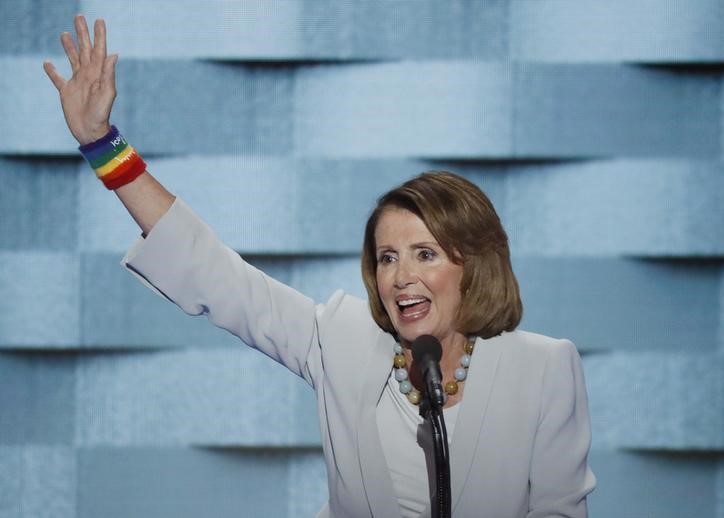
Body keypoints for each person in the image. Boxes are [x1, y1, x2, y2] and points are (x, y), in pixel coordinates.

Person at [44, 16, 596, 518]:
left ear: (472, 264)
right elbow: (215, 273)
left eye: (424, 253)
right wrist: (101, 144)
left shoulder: (543, 370)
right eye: (387, 257)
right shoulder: (342, 338)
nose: (401, 276)